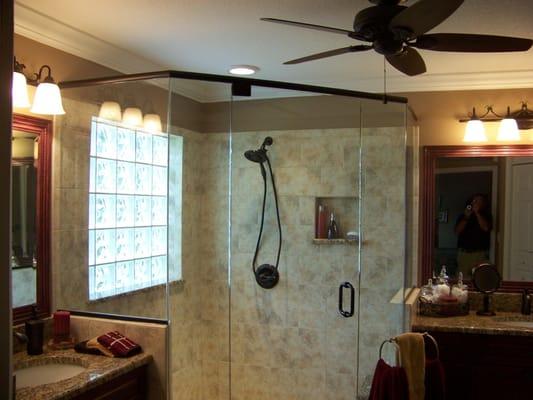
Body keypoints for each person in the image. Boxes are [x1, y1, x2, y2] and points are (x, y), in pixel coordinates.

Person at [454, 193, 492, 278]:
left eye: (478, 201)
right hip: (464, 254)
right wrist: (466, 217)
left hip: (479, 254)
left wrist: (477, 213)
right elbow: (457, 231)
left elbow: (485, 228)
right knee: (462, 278)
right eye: (474, 201)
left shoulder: (486, 215)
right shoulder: (463, 216)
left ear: (483, 204)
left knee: (479, 278)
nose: (475, 203)